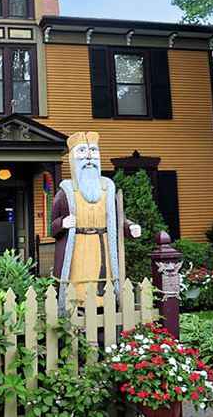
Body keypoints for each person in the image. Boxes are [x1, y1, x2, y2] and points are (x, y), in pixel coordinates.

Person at [50, 131, 141, 306]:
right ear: (72, 159)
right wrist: (63, 223)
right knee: (78, 282)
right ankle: (77, 307)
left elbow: (117, 219)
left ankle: (103, 308)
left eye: (93, 152)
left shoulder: (108, 191)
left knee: (103, 281)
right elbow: (52, 228)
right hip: (77, 246)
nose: (89, 158)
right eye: (83, 152)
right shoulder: (65, 193)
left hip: (103, 245)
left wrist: (129, 227)